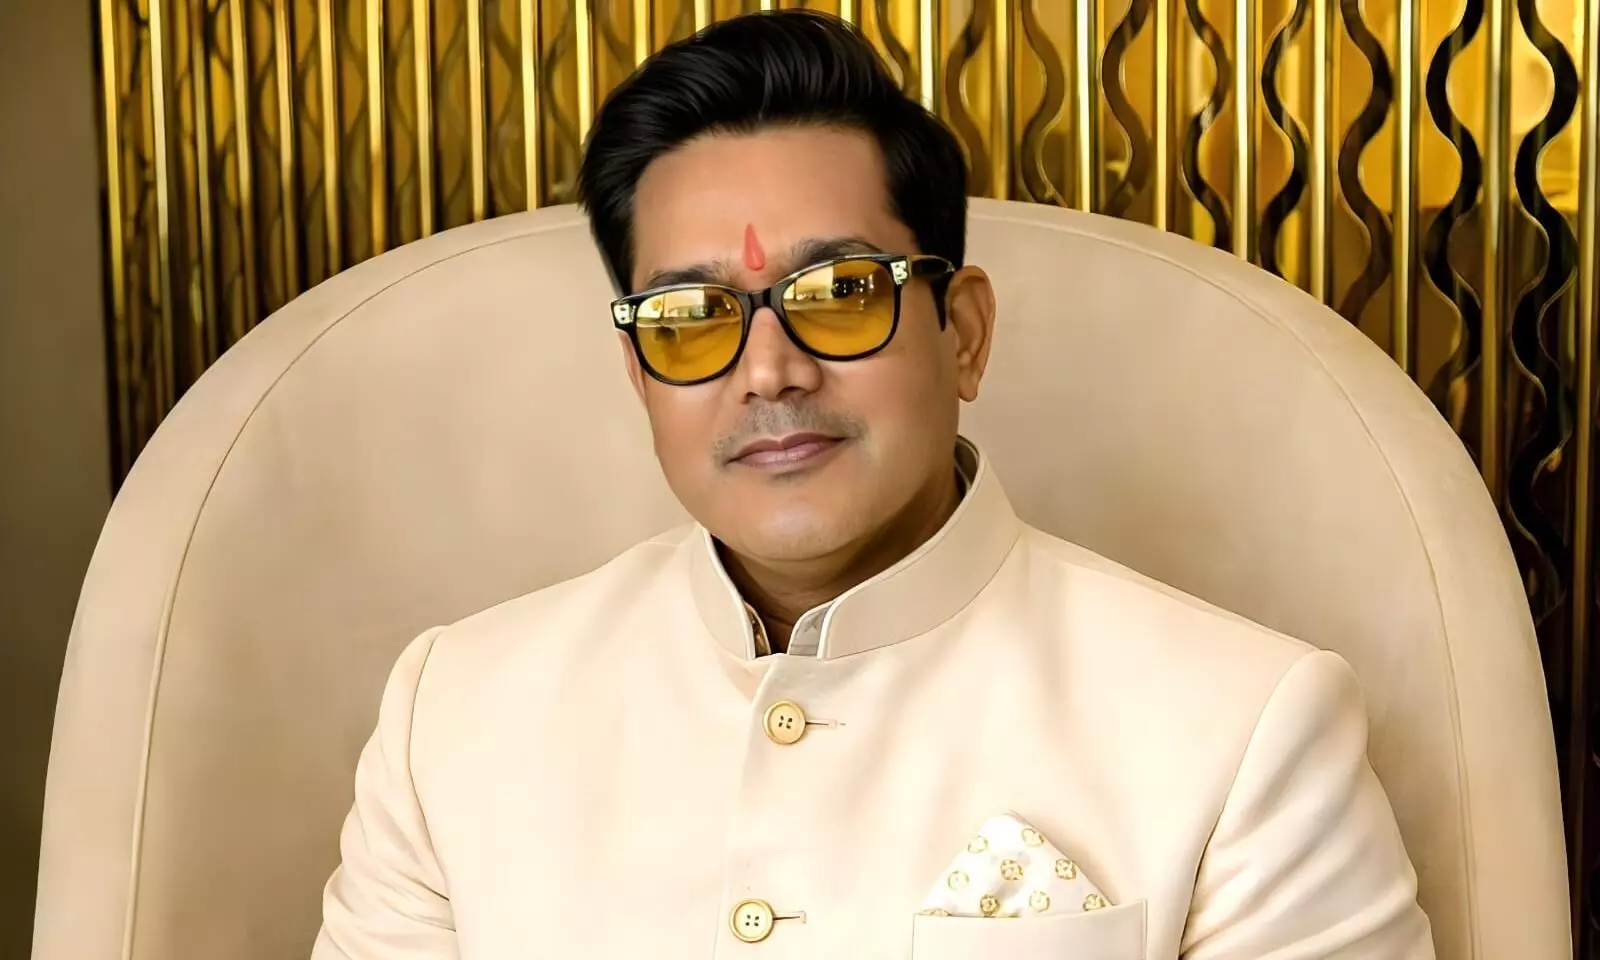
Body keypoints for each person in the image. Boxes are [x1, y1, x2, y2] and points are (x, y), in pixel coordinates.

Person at [312, 10, 1433, 958]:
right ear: (639, 372)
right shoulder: (454, 715)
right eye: (690, 317)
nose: (768, 371)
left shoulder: (1242, 730)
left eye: (841, 292)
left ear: (964, 333)